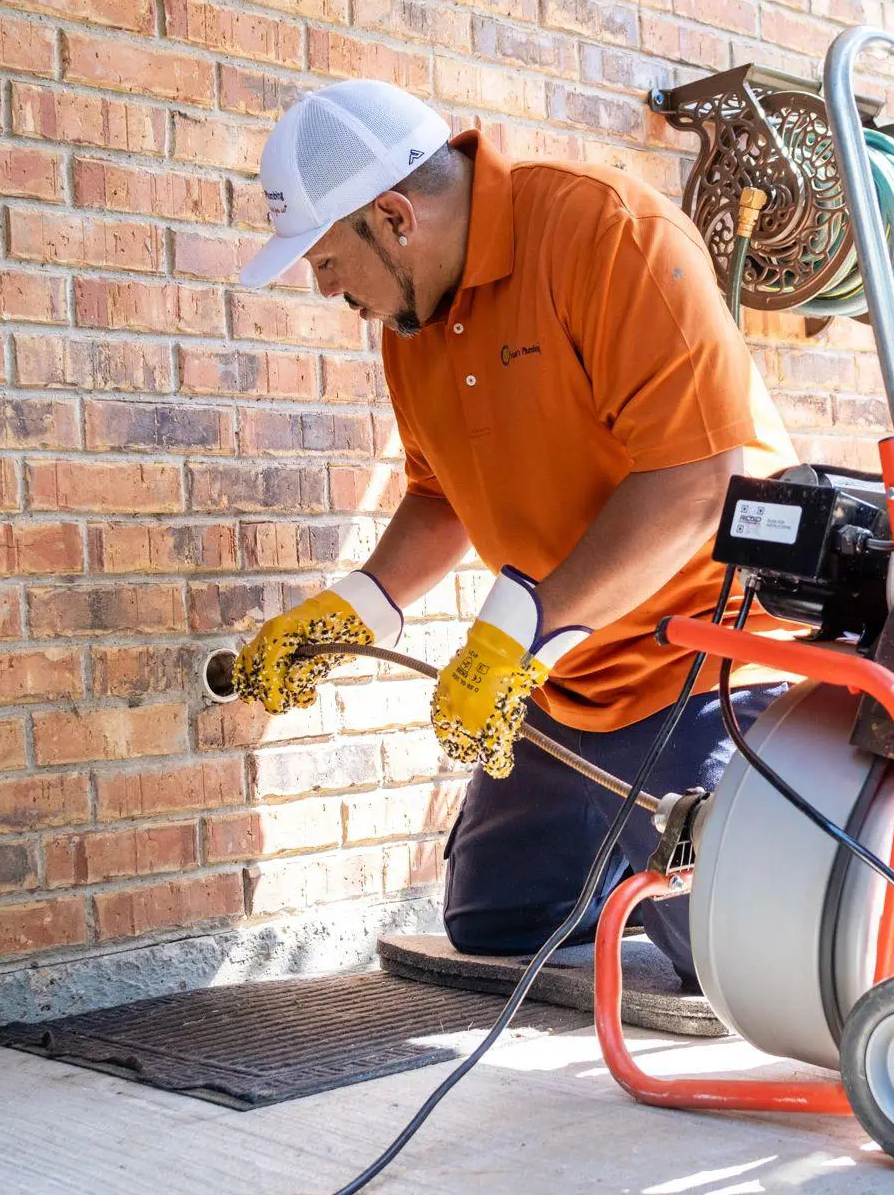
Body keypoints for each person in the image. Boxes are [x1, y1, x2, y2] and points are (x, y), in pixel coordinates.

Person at [231, 79, 799, 984]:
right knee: (493, 920)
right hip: (570, 678)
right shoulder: (411, 324)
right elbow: (439, 494)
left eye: (329, 257)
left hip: (712, 660)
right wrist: (356, 609)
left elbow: (702, 478)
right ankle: (647, 848)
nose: (324, 284)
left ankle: (749, 831)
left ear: (392, 216)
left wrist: (519, 635)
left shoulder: (605, 234)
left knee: (753, 961)